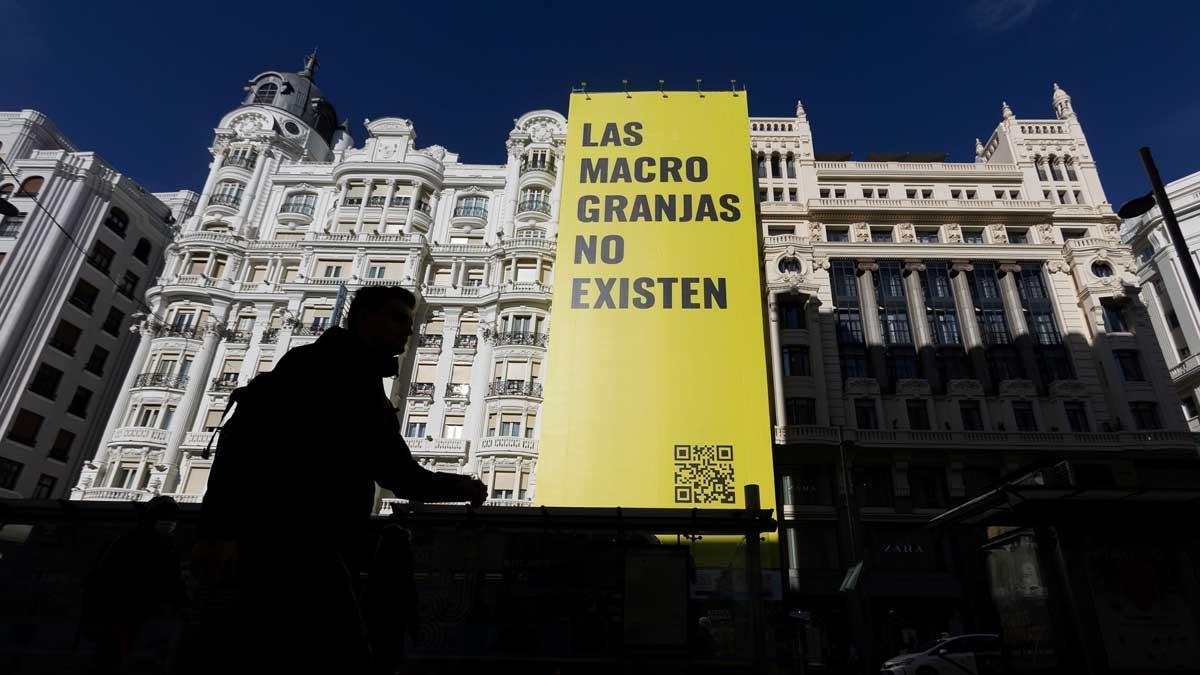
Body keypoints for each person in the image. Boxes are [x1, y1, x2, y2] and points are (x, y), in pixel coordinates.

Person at [190, 286, 486, 672]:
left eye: (410, 322)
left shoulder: (330, 369)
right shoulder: (342, 375)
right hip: (301, 545)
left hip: (285, 544)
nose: (407, 331)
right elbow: (398, 474)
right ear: (365, 317)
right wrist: (462, 487)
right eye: (398, 318)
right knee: (340, 659)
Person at [81, 495, 187, 674]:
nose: (170, 522)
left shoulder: (157, 544)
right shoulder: (136, 543)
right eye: (165, 517)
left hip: (134, 614)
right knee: (116, 656)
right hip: (123, 613)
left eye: (172, 518)